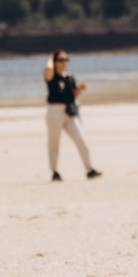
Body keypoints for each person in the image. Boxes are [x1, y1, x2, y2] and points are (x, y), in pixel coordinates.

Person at [43, 50, 101, 181]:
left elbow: (73, 94)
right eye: (61, 60)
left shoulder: (69, 76)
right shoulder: (51, 75)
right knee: (54, 142)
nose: (64, 62)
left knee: (81, 139)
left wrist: (79, 89)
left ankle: (89, 169)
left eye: (66, 59)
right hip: (54, 111)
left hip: (69, 111)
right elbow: (48, 68)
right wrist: (51, 57)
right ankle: (54, 171)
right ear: (55, 62)